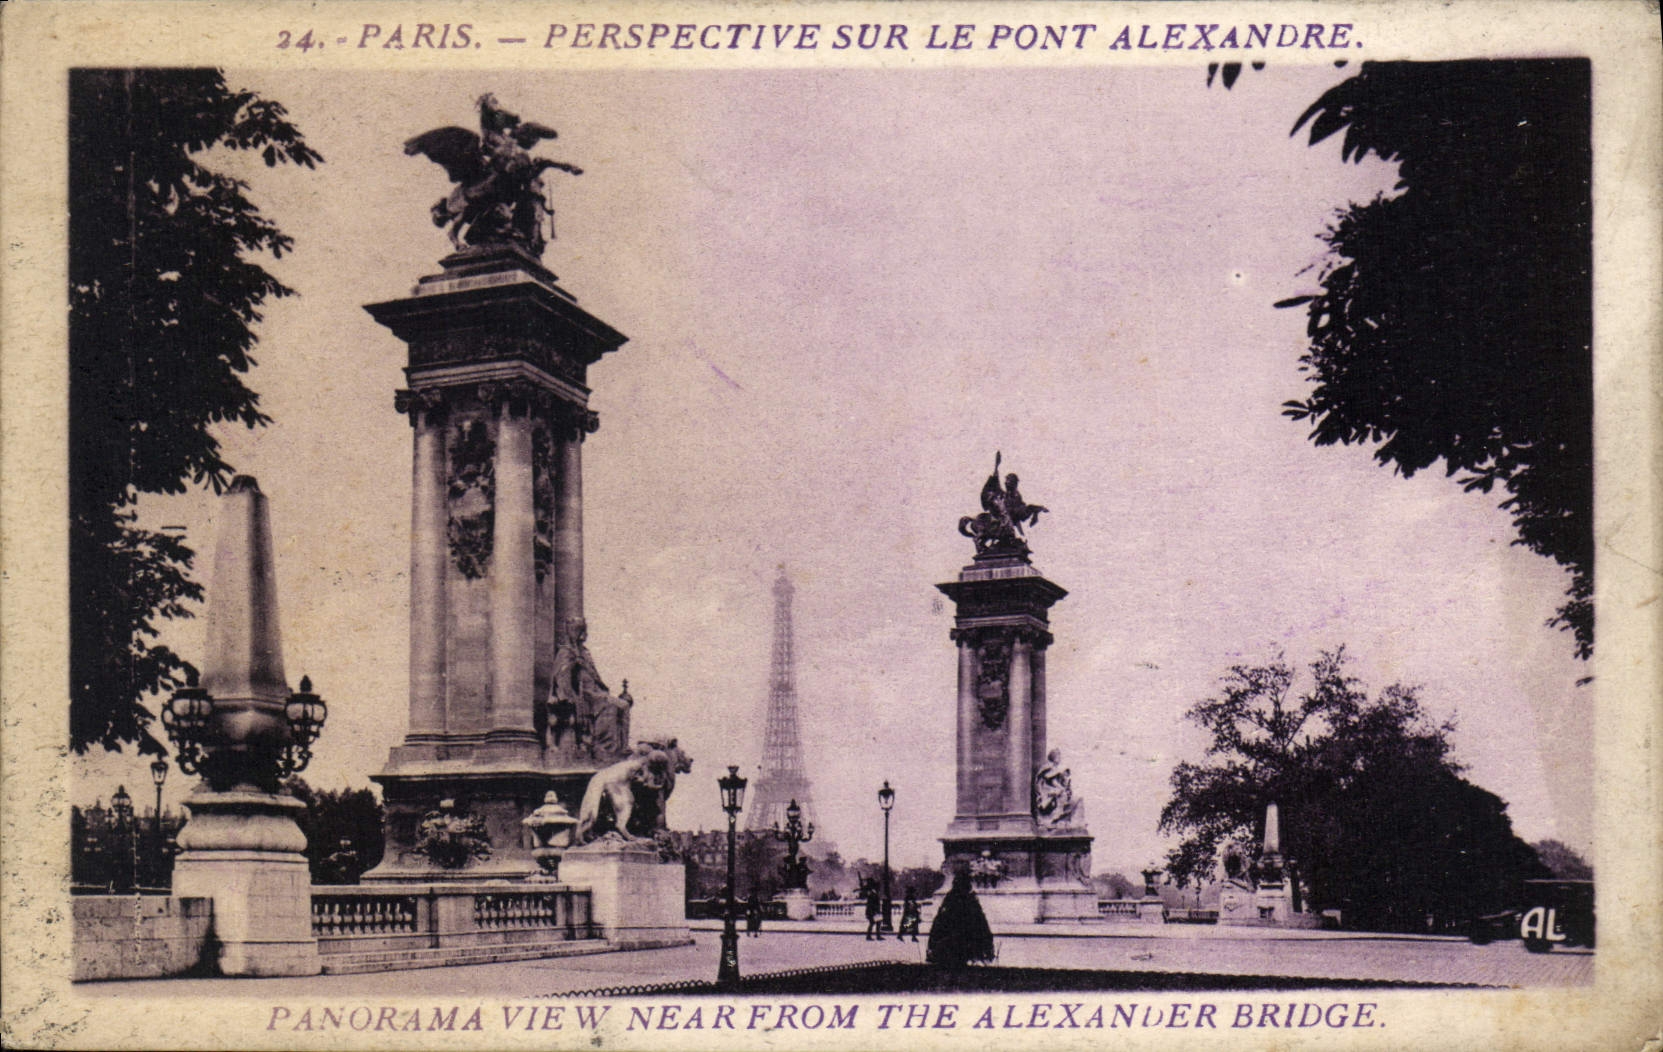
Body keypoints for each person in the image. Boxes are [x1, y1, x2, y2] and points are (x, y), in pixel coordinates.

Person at [926, 870, 996, 967]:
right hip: (967, 945)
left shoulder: (949, 900)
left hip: (950, 945)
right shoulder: (971, 900)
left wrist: (932, 946)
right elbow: (982, 924)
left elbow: (938, 924)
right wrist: (988, 947)